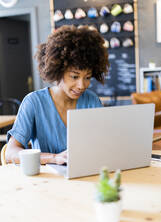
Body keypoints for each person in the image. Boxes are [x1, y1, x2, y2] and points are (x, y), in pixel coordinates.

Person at [6, 25, 109, 165]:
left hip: (86, 176)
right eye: (74, 77)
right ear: (58, 71)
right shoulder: (34, 102)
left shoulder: (92, 100)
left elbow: (104, 144)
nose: (82, 85)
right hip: (47, 180)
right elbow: (11, 152)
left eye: (87, 77)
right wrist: (53, 158)